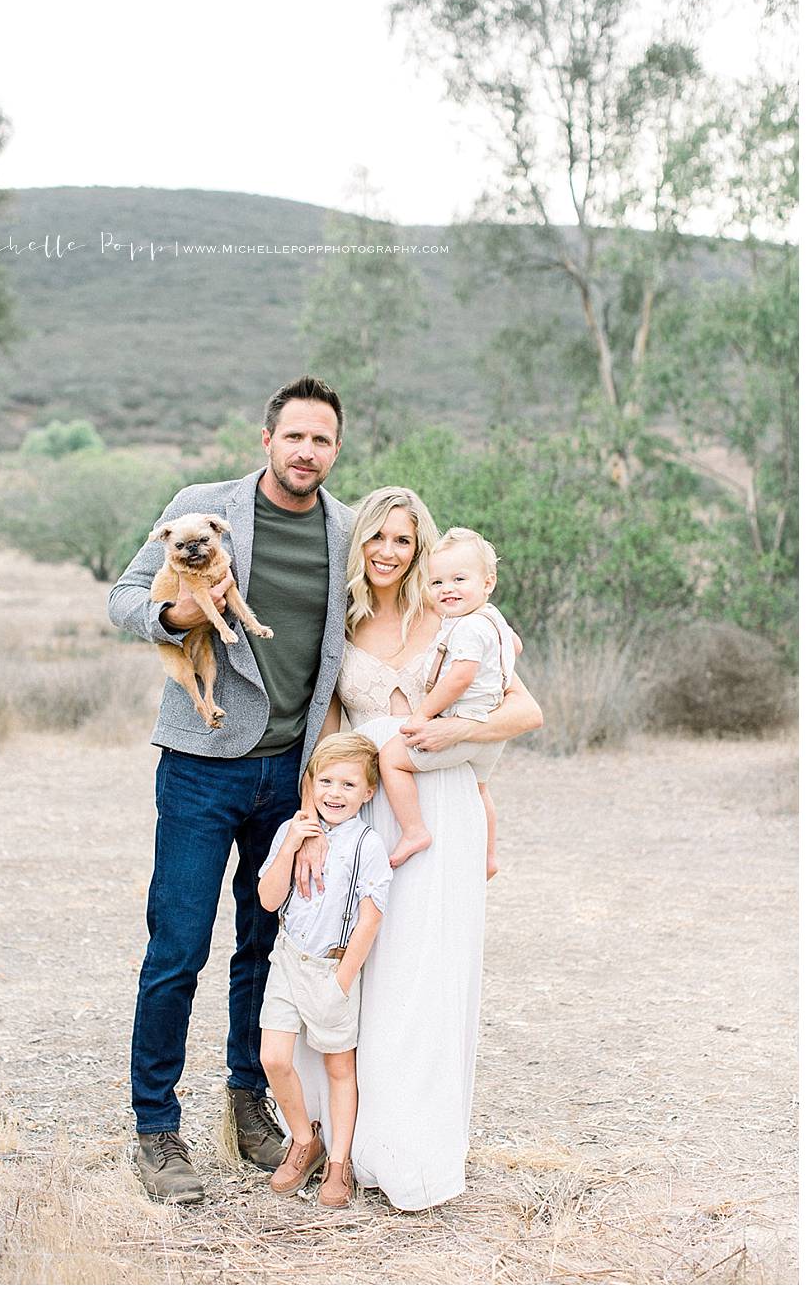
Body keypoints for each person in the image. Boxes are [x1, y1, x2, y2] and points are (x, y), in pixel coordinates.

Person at [107, 376, 355, 1204]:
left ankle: (248, 1105)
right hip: (199, 768)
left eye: (322, 440)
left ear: (336, 449)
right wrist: (178, 619)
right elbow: (124, 598)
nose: (307, 452)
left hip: (290, 776)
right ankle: (156, 1129)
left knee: (263, 946)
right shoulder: (201, 509)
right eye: (295, 437)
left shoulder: (349, 530)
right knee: (177, 944)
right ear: (268, 440)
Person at [289, 487, 543, 1211]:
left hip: (440, 801)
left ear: (420, 547)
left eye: (402, 540)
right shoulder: (344, 623)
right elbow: (332, 732)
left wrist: (455, 733)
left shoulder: (457, 614)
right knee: (355, 965)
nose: (387, 553)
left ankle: (409, 1144)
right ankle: (337, 1137)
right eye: (375, 538)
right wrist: (312, 822)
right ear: (358, 544)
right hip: (364, 805)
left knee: (422, 971)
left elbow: (526, 708)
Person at [257, 733, 392, 1207]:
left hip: (332, 969)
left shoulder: (367, 845)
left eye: (349, 785)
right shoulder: (291, 832)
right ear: (310, 785)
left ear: (368, 793)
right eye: (326, 782)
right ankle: (302, 1138)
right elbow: (269, 898)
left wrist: (343, 978)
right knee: (274, 1057)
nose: (335, 793)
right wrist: (292, 842)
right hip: (288, 959)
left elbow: (372, 916)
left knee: (339, 1068)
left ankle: (339, 1162)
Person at [378, 526, 520, 882]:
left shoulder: (468, 628)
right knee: (479, 788)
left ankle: (413, 830)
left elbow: (460, 677)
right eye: (437, 583)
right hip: (490, 730)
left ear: (487, 583)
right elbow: (514, 646)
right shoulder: (493, 619)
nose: (447, 590)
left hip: (463, 722)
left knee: (392, 759)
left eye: (459, 579)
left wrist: (423, 714)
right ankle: (489, 856)